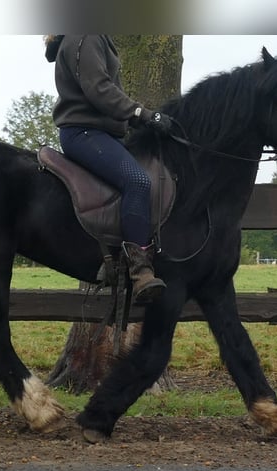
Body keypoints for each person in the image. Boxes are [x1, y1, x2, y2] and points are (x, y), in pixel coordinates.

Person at [46, 34, 174, 304]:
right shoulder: (86, 34)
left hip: (103, 133)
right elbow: (99, 88)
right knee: (137, 181)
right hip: (85, 133)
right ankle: (139, 270)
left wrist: (138, 121)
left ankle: (115, 255)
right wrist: (141, 113)